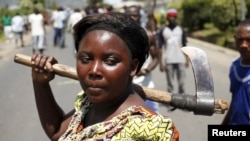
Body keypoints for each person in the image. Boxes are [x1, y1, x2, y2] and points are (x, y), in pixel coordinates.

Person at [30, 12, 179, 140]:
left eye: (110, 61)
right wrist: (40, 84)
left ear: (132, 67)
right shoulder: (88, 104)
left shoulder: (147, 129)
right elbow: (59, 133)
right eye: (86, 59)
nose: (94, 70)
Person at [125, 5, 160, 113]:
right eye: (129, 15)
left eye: (135, 15)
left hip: (146, 88)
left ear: (140, 17)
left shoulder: (148, 36)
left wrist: (146, 70)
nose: (132, 18)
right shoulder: (118, 36)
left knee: (154, 124)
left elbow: (156, 58)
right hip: (123, 90)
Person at [158, 8, 189, 111]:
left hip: (180, 59)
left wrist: (187, 59)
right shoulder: (163, 30)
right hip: (169, 60)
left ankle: (182, 103)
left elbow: (185, 44)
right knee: (170, 84)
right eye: (170, 16)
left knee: (181, 84)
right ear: (167, 17)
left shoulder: (181, 29)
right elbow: (160, 47)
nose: (172, 18)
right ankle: (171, 103)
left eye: (173, 16)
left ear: (176, 17)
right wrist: (161, 63)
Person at [221, 19, 250, 125]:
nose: (244, 45)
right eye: (240, 40)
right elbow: (235, 101)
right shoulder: (234, 66)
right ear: (235, 39)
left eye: (249, 40)